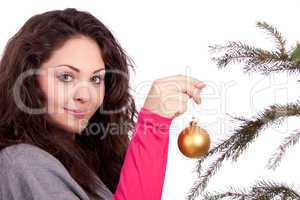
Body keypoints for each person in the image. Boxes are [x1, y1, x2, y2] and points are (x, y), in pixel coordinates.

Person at [0, 8, 206, 200]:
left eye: (96, 79)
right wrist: (152, 126)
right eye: (66, 77)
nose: (85, 95)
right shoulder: (23, 162)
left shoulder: (87, 159)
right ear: (29, 80)